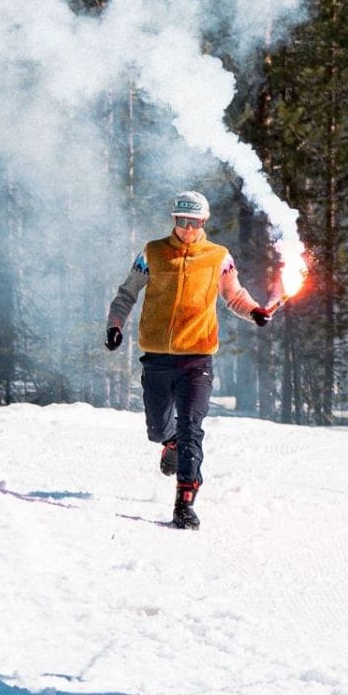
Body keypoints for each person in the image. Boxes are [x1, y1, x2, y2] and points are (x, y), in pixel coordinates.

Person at [104, 190, 272, 529]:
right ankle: (169, 444)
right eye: (181, 222)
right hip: (157, 357)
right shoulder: (152, 253)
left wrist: (254, 311)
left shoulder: (218, 257)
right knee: (157, 429)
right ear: (174, 220)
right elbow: (127, 293)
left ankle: (184, 502)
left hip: (197, 358)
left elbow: (234, 295)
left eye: (193, 223)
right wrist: (115, 325)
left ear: (203, 222)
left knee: (191, 429)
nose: (186, 229)